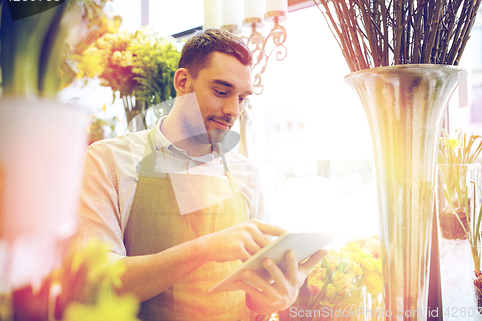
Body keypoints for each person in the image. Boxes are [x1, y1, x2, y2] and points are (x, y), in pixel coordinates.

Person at [78, 28, 327, 321]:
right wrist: (206, 248)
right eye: (221, 91)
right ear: (182, 82)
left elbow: (257, 295)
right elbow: (98, 283)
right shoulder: (108, 161)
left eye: (242, 98)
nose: (232, 110)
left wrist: (275, 300)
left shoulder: (247, 174)